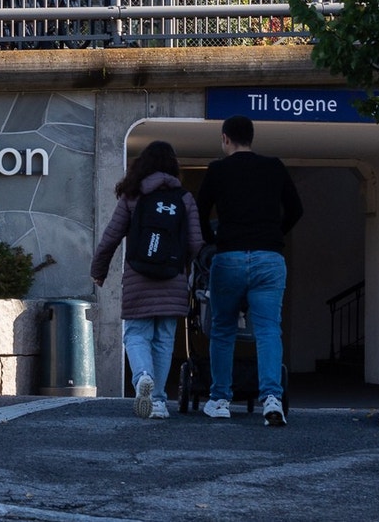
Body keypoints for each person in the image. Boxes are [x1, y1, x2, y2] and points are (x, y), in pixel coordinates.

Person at [196, 114, 303, 426]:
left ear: (225, 138)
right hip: (269, 258)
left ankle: (220, 400)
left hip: (228, 257)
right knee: (268, 330)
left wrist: (212, 240)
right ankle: (271, 398)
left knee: (223, 328)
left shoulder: (217, 170)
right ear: (251, 138)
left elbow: (200, 212)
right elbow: (296, 209)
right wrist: (274, 234)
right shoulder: (274, 167)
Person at [90, 140, 203, 419]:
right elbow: (195, 242)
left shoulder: (133, 196)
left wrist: (99, 271)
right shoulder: (184, 198)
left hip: (138, 278)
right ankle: (159, 401)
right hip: (172, 279)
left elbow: (110, 238)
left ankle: (142, 376)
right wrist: (184, 268)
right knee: (163, 340)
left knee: (136, 334)